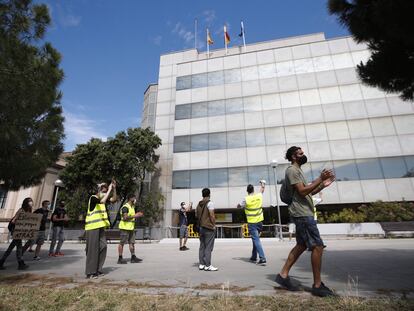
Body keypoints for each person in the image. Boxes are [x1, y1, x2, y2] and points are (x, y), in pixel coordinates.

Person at [275, 146, 336, 297]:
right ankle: (317, 285)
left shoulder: (298, 171)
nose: (304, 155)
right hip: (302, 214)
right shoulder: (292, 170)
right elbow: (302, 191)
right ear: (294, 156)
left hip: (304, 212)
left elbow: (307, 191)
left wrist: (323, 184)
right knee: (317, 246)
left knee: (301, 245)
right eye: (300, 153)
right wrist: (320, 178)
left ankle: (282, 276)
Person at [85, 181, 117, 279]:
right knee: (93, 249)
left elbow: (113, 199)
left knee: (103, 246)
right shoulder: (93, 198)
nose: (105, 190)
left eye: (106, 189)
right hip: (92, 227)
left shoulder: (102, 198)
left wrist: (114, 189)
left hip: (101, 226)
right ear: (98, 190)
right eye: (103, 188)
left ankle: (97, 269)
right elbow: (102, 201)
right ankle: (90, 272)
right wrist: (110, 190)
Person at [237, 180, 267, 265]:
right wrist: (262, 184)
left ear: (247, 191)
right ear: (253, 190)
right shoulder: (258, 196)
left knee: (256, 239)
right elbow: (262, 190)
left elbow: (239, 206)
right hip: (260, 222)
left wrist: (238, 206)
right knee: (255, 239)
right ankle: (254, 257)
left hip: (252, 223)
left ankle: (262, 257)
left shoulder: (246, 199)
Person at [0, 198, 33, 270]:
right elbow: (13, 221)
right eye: (29, 202)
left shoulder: (29, 211)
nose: (31, 203)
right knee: (17, 248)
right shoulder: (21, 210)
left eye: (31, 202)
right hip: (16, 231)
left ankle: (3, 262)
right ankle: (20, 263)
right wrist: (20, 222)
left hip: (20, 232)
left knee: (14, 248)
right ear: (26, 203)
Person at [117, 194, 143, 264]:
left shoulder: (132, 207)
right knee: (122, 243)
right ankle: (120, 258)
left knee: (132, 243)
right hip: (124, 228)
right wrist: (136, 215)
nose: (135, 200)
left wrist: (137, 214)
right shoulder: (125, 207)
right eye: (134, 198)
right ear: (130, 199)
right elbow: (125, 218)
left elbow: (132, 216)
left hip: (131, 228)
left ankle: (133, 257)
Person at [196, 188, 218, 271]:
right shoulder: (210, 203)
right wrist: (214, 225)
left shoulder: (198, 204)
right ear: (209, 194)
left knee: (202, 246)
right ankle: (208, 265)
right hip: (208, 227)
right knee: (208, 247)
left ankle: (201, 264)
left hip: (201, 228)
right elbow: (212, 215)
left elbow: (196, 215)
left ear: (202, 195)